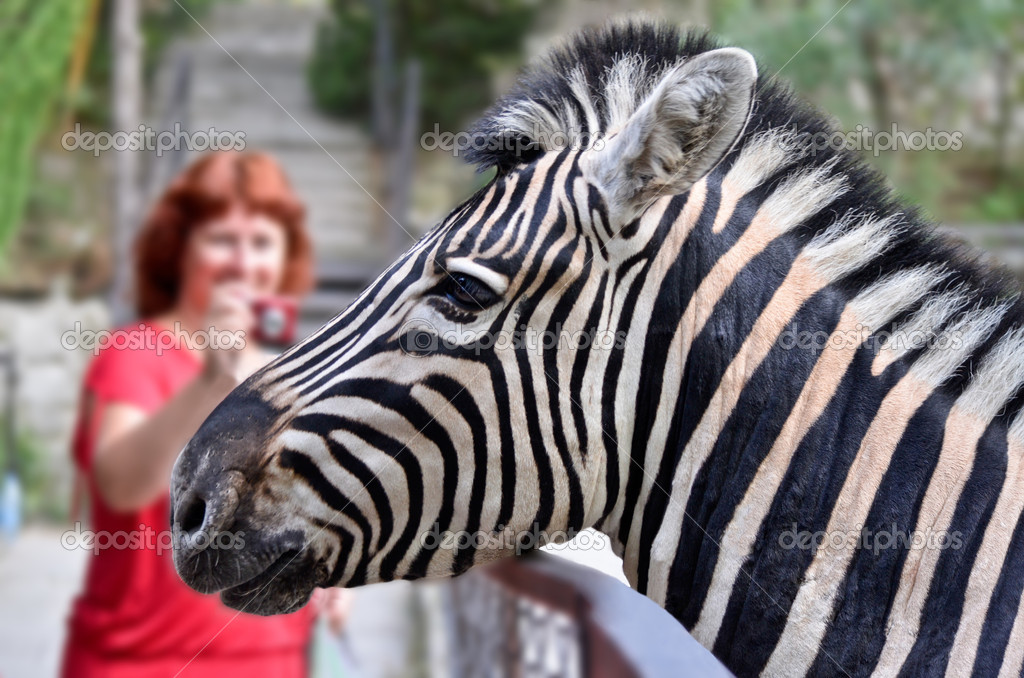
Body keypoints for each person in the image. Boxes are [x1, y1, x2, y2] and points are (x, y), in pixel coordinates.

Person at [61, 151, 350, 678]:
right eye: (222, 240)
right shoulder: (134, 353)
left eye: (262, 242)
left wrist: (331, 579)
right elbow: (121, 486)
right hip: (139, 664)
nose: (244, 262)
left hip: (274, 665)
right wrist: (213, 376)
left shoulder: (295, 374)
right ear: (179, 250)